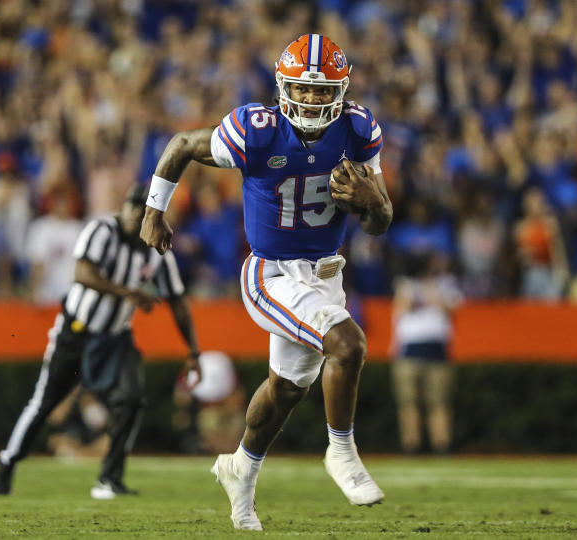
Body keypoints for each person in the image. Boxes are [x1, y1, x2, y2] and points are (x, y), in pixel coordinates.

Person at [140, 34, 393, 531]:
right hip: (272, 273)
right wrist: (154, 210)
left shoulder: (359, 129)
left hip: (325, 274)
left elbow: (379, 223)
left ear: (341, 91)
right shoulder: (256, 129)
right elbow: (182, 145)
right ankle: (341, 452)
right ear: (283, 87)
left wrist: (374, 202)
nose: (314, 100)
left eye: (324, 92)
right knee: (348, 345)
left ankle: (241, 470)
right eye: (304, 88)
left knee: (286, 389)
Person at [0, 184, 202, 499]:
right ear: (125, 207)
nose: (139, 217)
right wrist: (129, 292)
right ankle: (8, 461)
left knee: (130, 399)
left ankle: (109, 479)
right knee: (44, 403)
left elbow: (177, 299)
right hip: (76, 331)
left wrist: (193, 350)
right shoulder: (102, 229)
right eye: (136, 208)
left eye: (147, 211)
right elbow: (83, 273)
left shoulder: (156, 247)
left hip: (116, 336)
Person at [390, 253, 462, 454]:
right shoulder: (405, 283)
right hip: (408, 350)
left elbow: (449, 306)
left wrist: (429, 285)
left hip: (437, 350)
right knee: (408, 403)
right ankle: (411, 445)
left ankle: (441, 445)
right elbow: (404, 304)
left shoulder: (446, 283)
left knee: (439, 402)